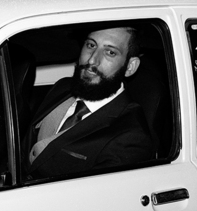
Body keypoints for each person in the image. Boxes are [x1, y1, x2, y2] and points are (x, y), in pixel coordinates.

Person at [27, 27, 154, 179]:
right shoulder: (63, 87)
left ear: (129, 67)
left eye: (110, 52)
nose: (92, 60)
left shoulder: (131, 138)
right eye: (91, 45)